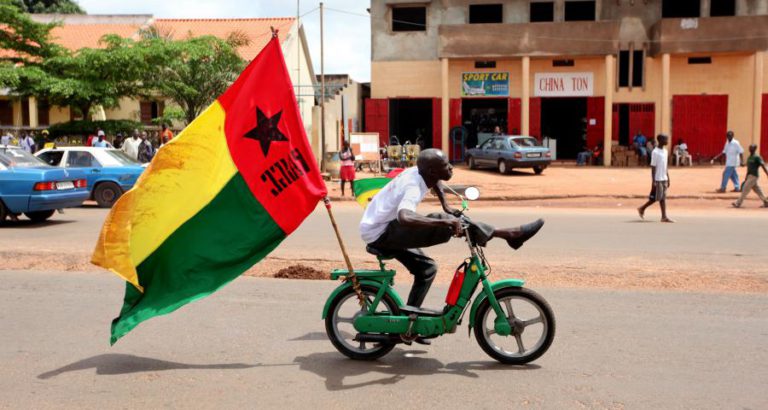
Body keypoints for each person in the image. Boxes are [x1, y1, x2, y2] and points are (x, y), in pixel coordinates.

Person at [360, 148, 544, 316]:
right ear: (432, 170)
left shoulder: (423, 173)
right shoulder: (413, 186)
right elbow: (405, 217)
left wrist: (446, 206)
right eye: (445, 166)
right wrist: (445, 221)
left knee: (427, 269)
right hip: (382, 232)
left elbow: (436, 181)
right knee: (443, 221)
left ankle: (410, 320)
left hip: (380, 226)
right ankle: (511, 235)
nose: (450, 168)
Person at [637, 134, 674, 223]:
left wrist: (668, 177)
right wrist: (653, 180)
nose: (667, 141)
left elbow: (665, 166)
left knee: (662, 198)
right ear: (660, 140)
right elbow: (653, 167)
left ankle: (663, 217)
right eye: (666, 139)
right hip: (657, 179)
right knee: (657, 198)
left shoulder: (665, 151)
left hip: (664, 178)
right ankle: (642, 208)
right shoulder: (655, 152)